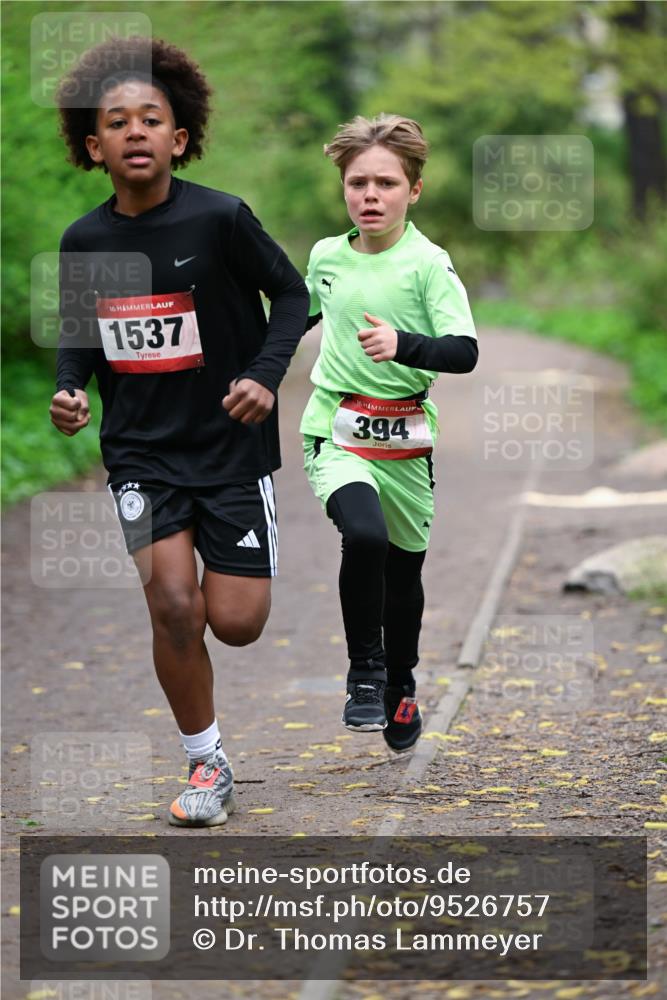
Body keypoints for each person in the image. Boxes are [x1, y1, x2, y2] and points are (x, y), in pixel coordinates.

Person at [48, 36, 309, 825]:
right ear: (94, 145)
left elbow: (293, 299)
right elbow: (80, 334)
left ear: (178, 137)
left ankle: (213, 736)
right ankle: (206, 765)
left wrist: (263, 377)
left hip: (229, 449)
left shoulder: (220, 218)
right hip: (141, 453)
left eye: (150, 119)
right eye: (117, 122)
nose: (135, 131)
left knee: (234, 622)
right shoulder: (86, 241)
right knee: (171, 604)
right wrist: (69, 389)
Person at [301, 114, 478, 753]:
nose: (369, 195)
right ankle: (365, 674)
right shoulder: (325, 255)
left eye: (385, 183)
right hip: (334, 425)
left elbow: (464, 352)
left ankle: (402, 681)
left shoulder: (428, 264)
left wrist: (404, 345)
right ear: (343, 188)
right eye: (357, 183)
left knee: (404, 576)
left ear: (414, 191)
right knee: (365, 535)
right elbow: (296, 316)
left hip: (404, 436)